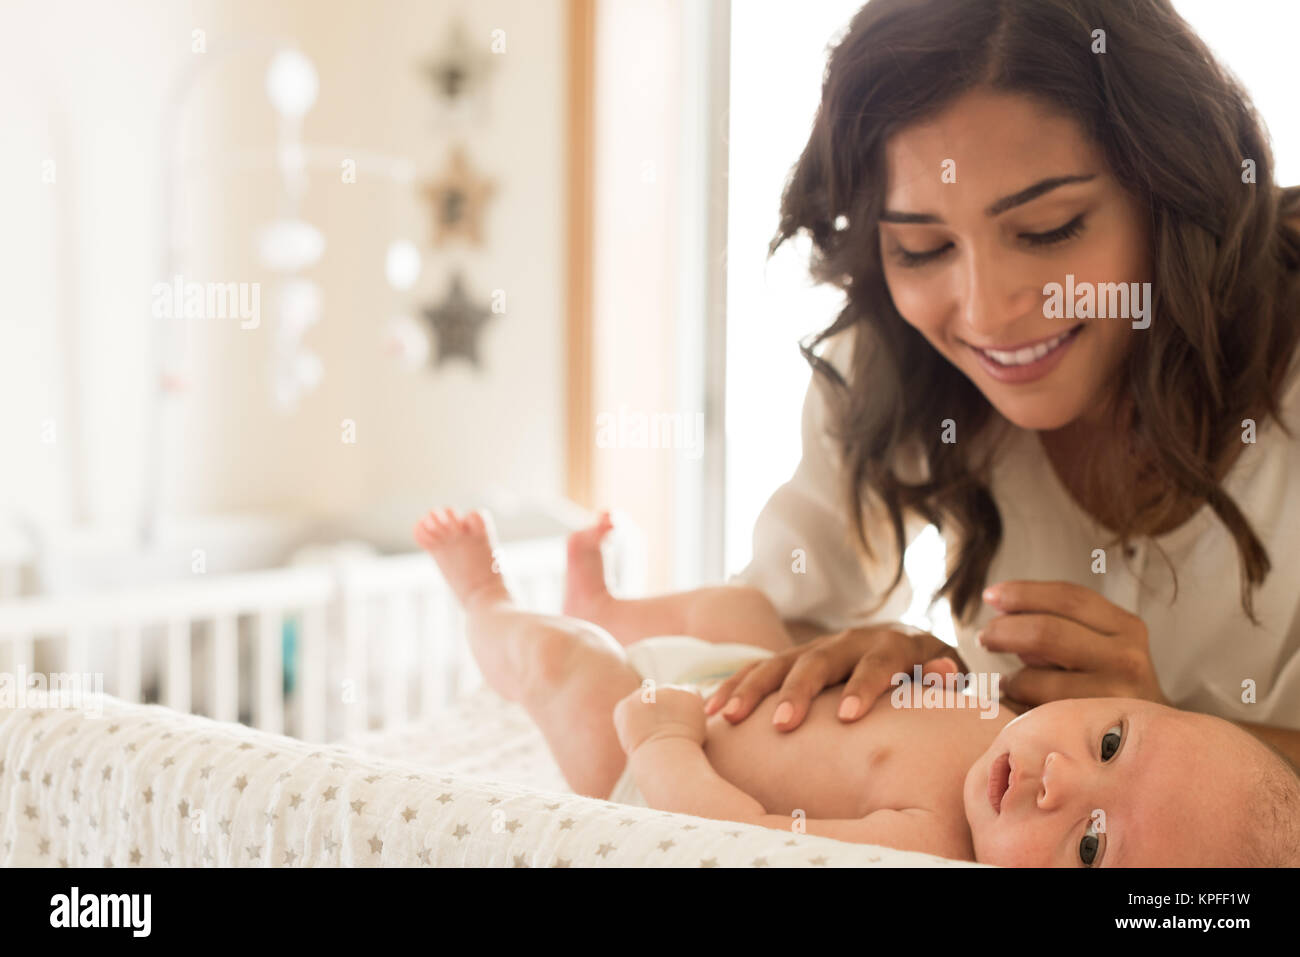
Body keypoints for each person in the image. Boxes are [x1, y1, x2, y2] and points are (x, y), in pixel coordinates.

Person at [707, 0, 1300, 766]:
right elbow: (776, 626)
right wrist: (908, 679)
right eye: (921, 247)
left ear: (1170, 191)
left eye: (1049, 229)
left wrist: (1162, 741)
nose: (989, 311)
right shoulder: (892, 350)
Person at [413, 506, 1300, 866]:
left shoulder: (929, 847)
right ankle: (610, 602)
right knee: (743, 603)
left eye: (1090, 849)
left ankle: (485, 597)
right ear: (1129, 697)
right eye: (1110, 742)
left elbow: (746, 838)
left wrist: (661, 743)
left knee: (561, 665)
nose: (1061, 779)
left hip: (654, 754)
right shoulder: (1015, 720)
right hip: (751, 686)